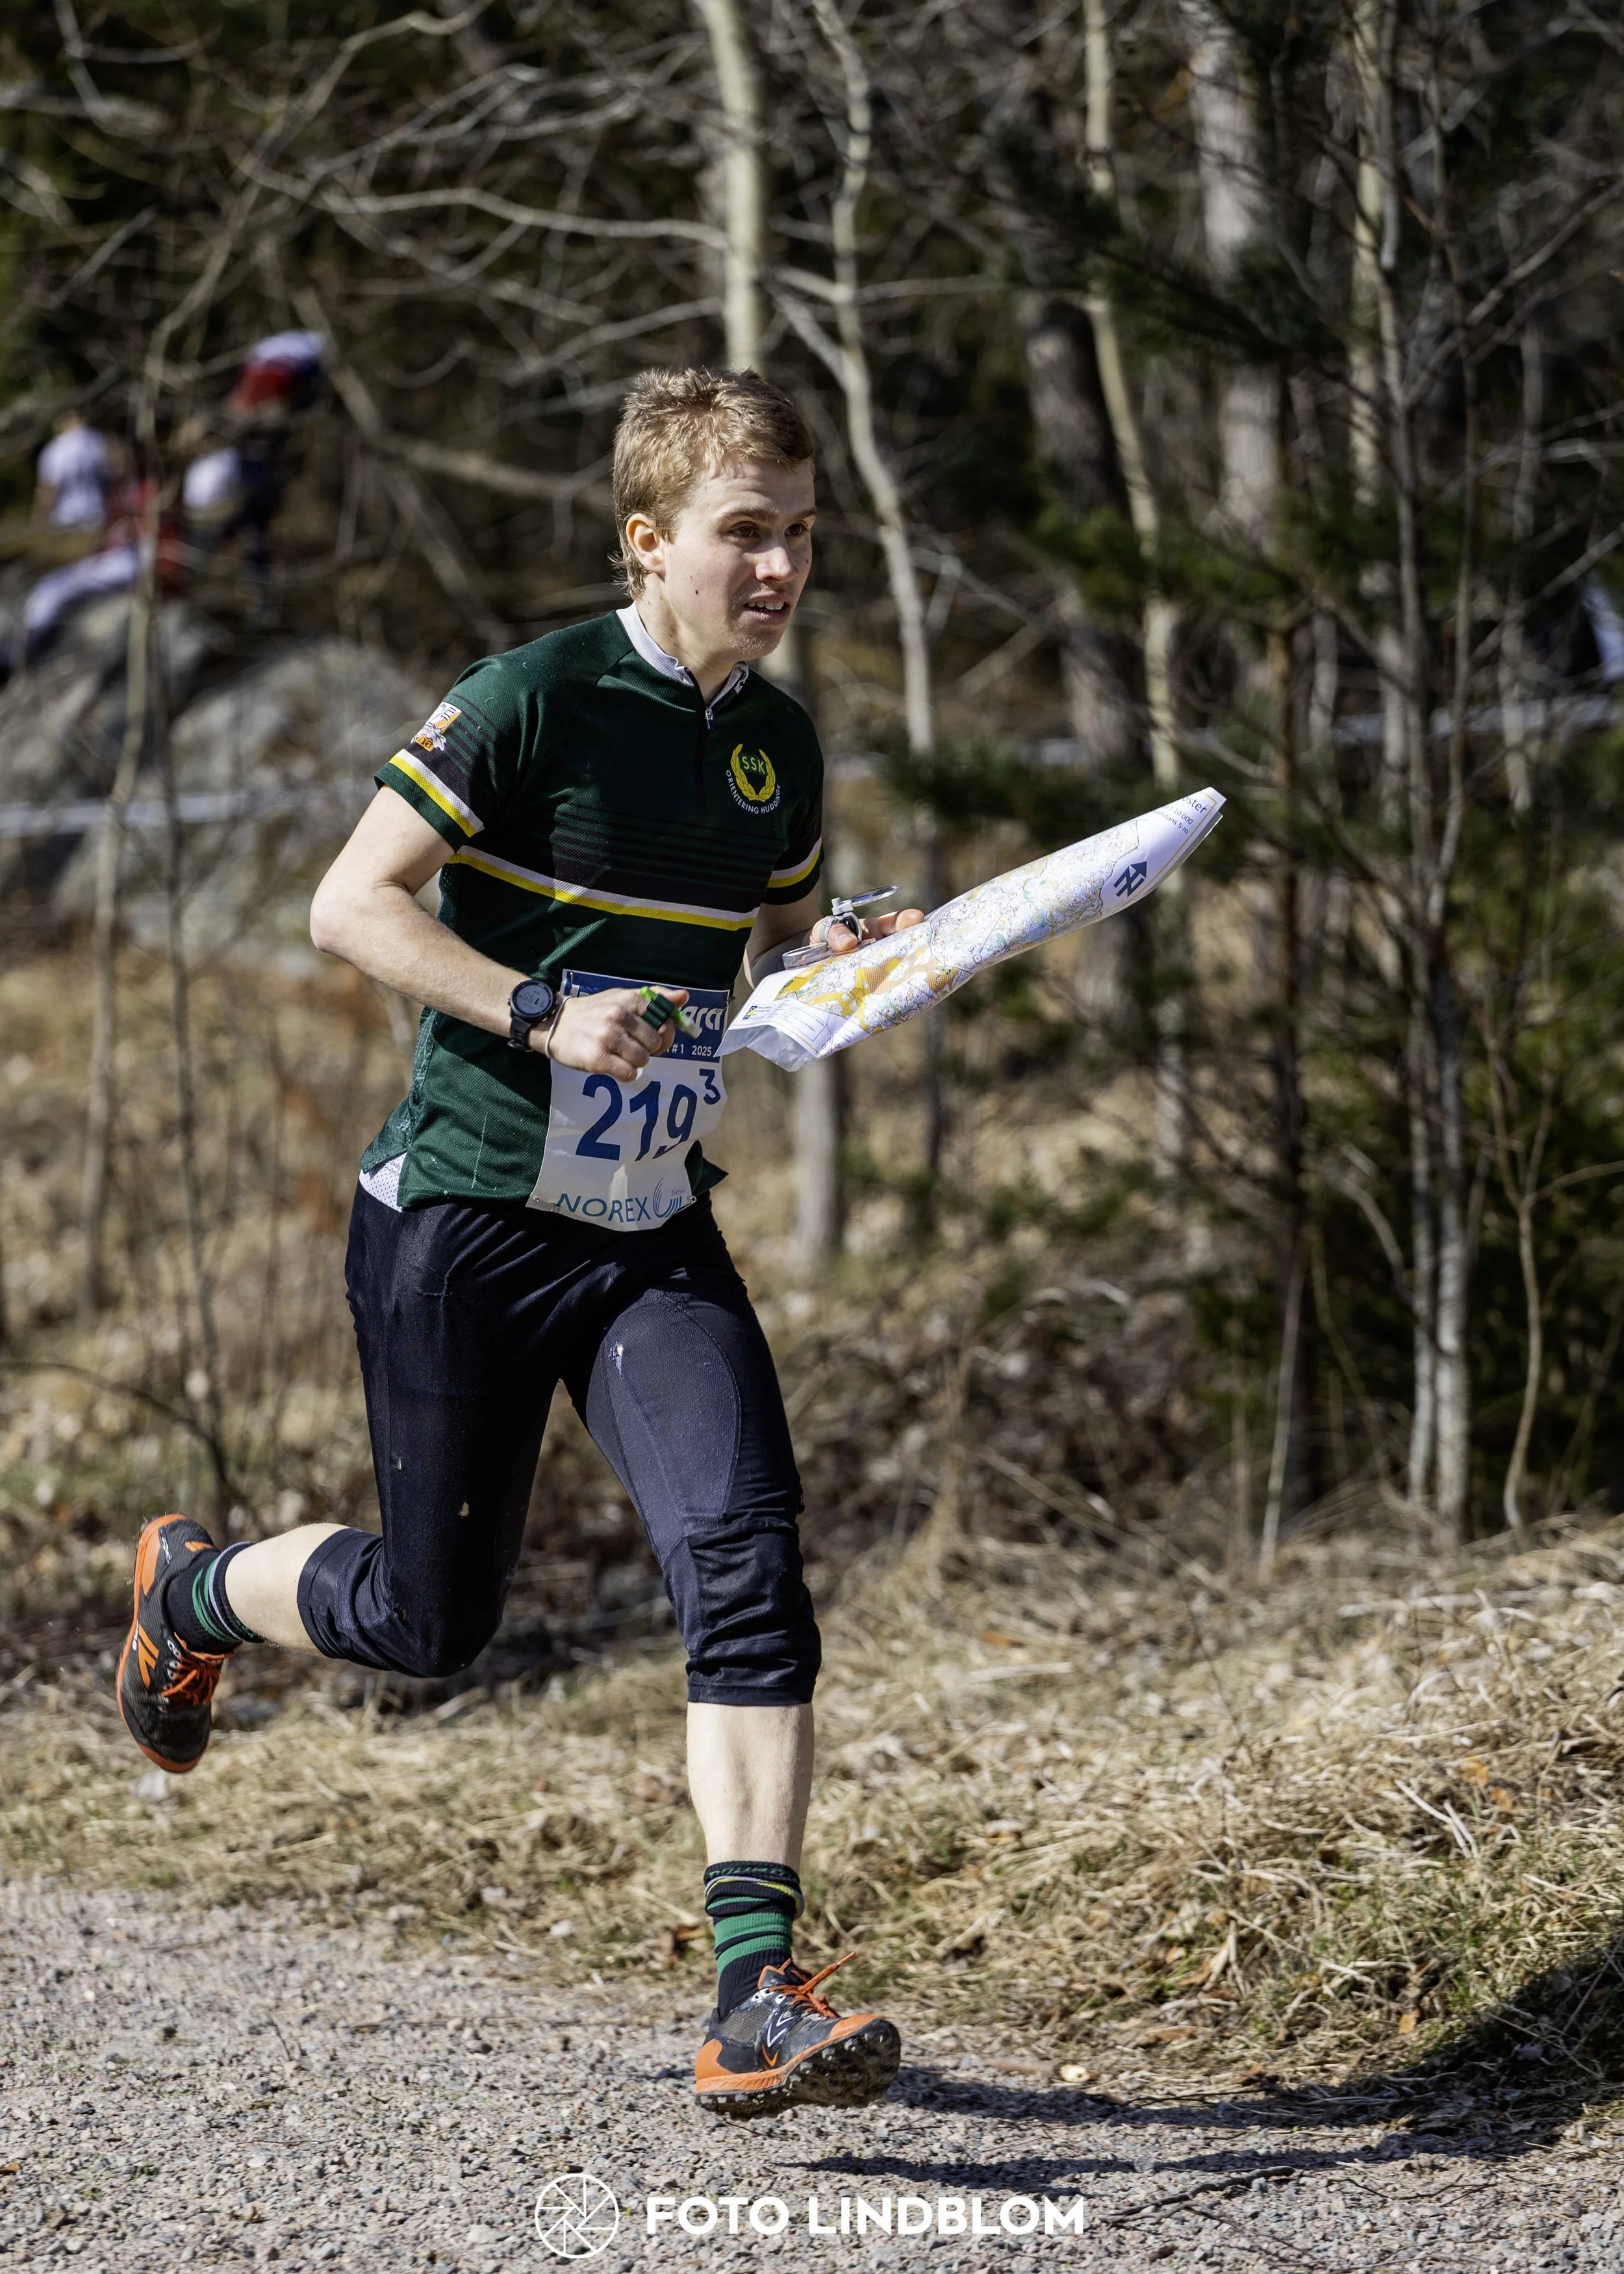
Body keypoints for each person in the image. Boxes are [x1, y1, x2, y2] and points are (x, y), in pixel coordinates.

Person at [116, 365, 924, 2120]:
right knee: (430, 1622)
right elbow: (348, 904)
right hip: (466, 1224)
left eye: (801, 535)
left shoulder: (776, 746)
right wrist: (535, 1008)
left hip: (645, 1231)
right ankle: (188, 1591)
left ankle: (754, 1993)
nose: (781, 567)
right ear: (647, 540)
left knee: (744, 1564)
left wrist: (847, 953)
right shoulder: (529, 699)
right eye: (745, 534)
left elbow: (758, 958)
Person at [32, 410, 112, 532]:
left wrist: (39, 520)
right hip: (98, 513)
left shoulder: (55, 449)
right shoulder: (98, 440)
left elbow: (49, 489)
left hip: (67, 517)